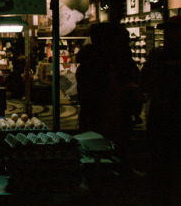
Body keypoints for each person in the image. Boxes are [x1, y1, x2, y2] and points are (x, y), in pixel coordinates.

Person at [76, 23, 140, 173]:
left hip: (104, 114)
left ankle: (107, 173)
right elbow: (95, 92)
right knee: (100, 148)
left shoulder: (98, 60)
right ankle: (105, 176)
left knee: (102, 149)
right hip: (101, 115)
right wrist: (125, 90)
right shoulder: (98, 62)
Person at [140, 15, 181, 204]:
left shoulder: (158, 56)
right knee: (160, 165)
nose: (168, 34)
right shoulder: (157, 56)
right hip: (161, 118)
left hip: (167, 116)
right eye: (166, 31)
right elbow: (146, 83)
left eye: (172, 30)